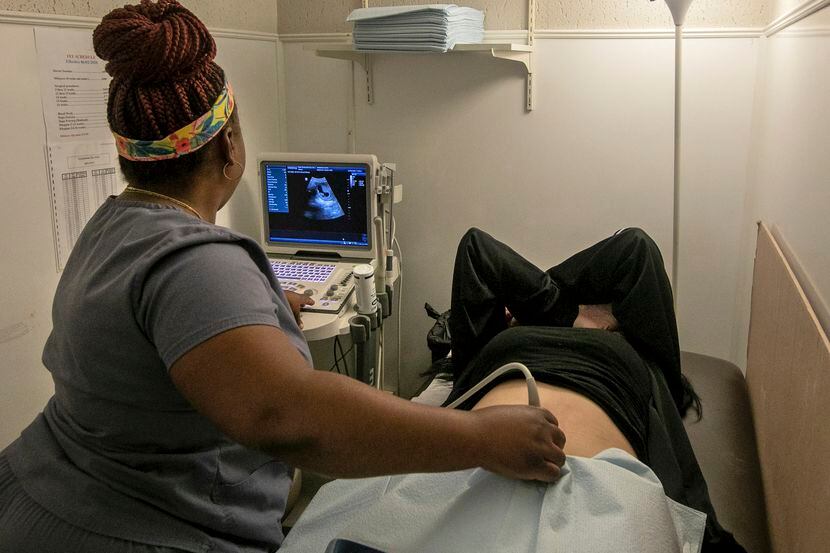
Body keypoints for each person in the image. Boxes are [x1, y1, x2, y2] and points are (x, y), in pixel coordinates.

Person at [0, 3, 566, 552]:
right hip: (133, 530)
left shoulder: (112, 229)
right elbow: (288, 417)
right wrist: (481, 437)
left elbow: (175, 342)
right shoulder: (197, 262)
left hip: (43, 491)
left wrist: (259, 310)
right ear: (228, 145)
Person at [441, 227, 746, 552]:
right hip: (499, 455)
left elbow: (637, 251)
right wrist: (569, 315)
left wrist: (554, 310)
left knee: (636, 244)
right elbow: (476, 247)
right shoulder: (498, 345)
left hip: (591, 466)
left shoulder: (639, 360)